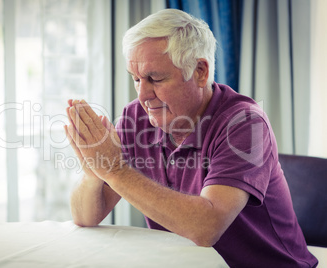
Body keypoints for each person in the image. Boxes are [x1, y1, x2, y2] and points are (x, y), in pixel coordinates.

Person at [64, 9, 318, 268]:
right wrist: (97, 169)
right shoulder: (135, 116)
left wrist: (116, 169)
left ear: (200, 72)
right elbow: (85, 216)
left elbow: (206, 228)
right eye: (136, 79)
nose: (142, 94)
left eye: (155, 78)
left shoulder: (245, 123)